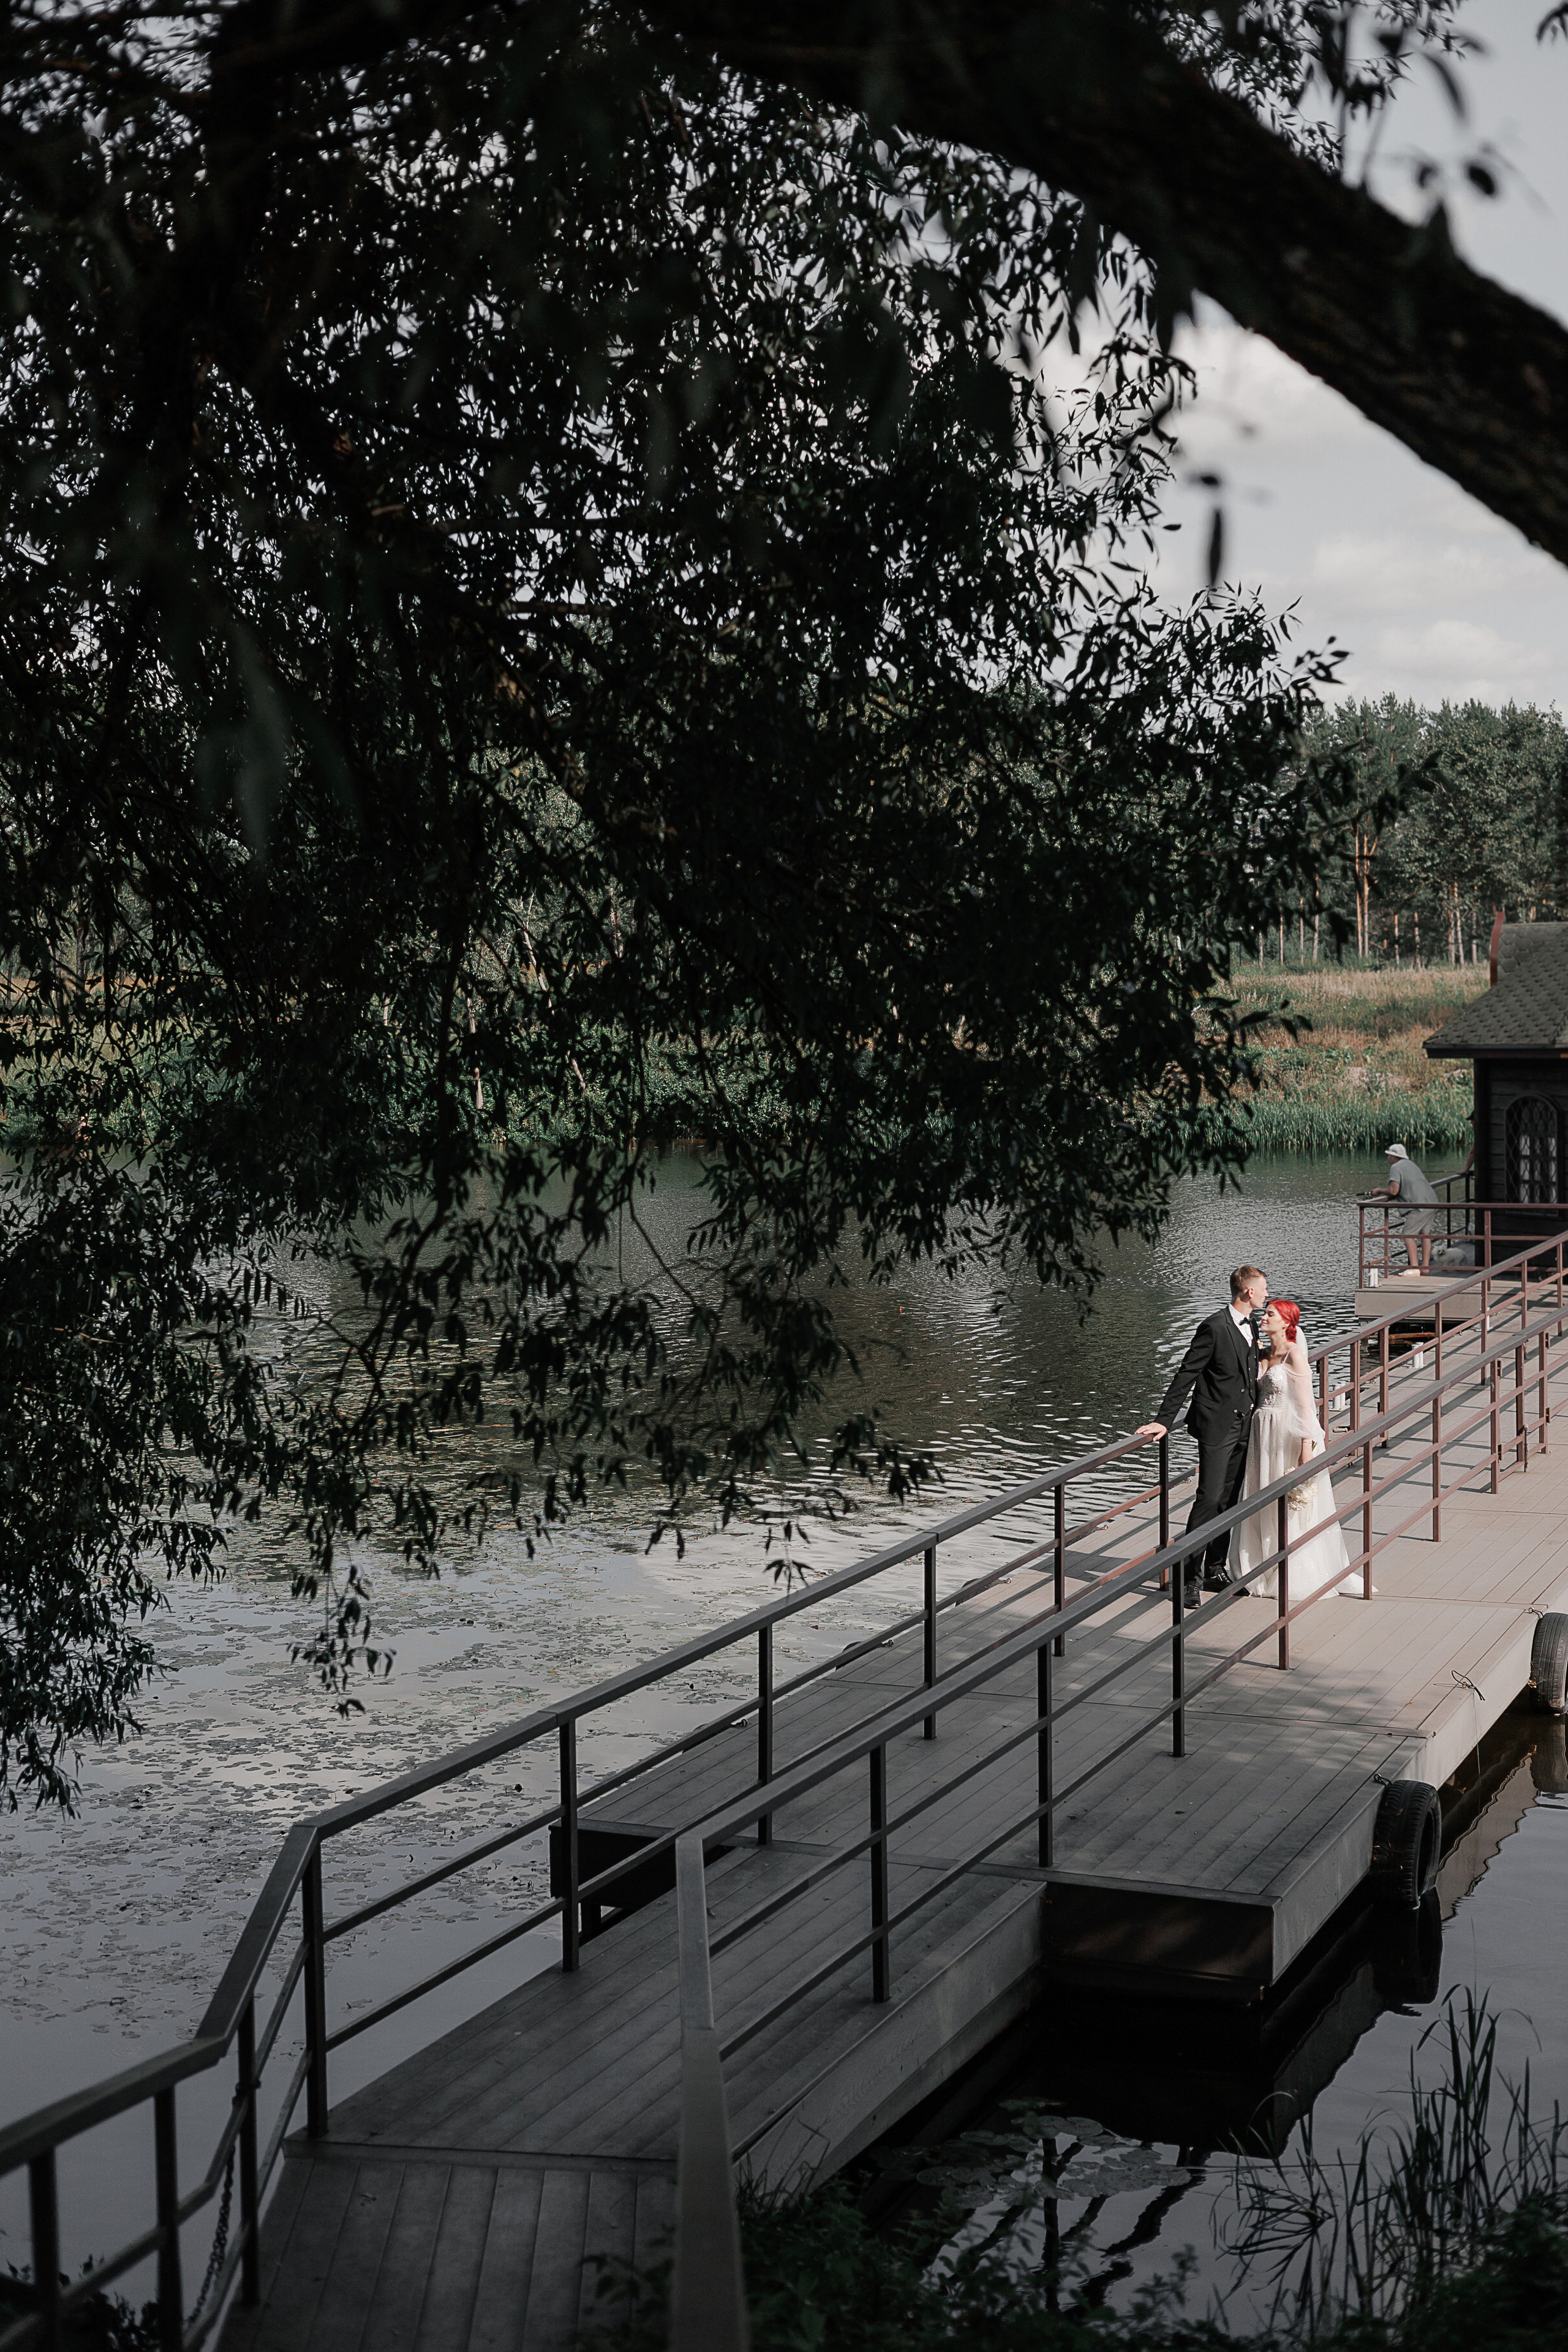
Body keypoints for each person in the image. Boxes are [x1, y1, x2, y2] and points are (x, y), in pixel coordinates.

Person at [1137, 1264, 1267, 1606]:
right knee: (1209, 1497)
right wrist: (1164, 1420)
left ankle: (1214, 1568)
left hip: (1244, 1426)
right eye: (1263, 1289)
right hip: (1217, 1428)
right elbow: (1187, 1373)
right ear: (1249, 1292)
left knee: (1228, 1500)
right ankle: (1188, 1578)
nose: (1267, 1294)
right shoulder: (1213, 1327)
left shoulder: (1252, 1325)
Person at [1232, 1298, 1358, 1600]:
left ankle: (1289, 1563)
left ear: (1287, 1323)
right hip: (1261, 1434)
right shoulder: (1261, 1353)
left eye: (1270, 1314)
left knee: (1286, 1501)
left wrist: (1306, 1448)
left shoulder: (1295, 1356)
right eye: (1264, 1313)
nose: (1264, 1317)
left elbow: (1305, 1406)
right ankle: (1259, 1564)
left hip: (1287, 1435)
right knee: (1259, 1494)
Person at [1384, 1142, 1441, 1274]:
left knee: (1408, 1234)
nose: (1388, 1158)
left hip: (1419, 1206)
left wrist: (1379, 1190)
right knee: (1425, 1235)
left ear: (1395, 1156)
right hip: (1431, 1202)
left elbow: (1393, 1190)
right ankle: (1425, 1268)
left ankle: (1414, 1268)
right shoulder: (1411, 1164)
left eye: (1389, 1155)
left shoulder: (1396, 1167)